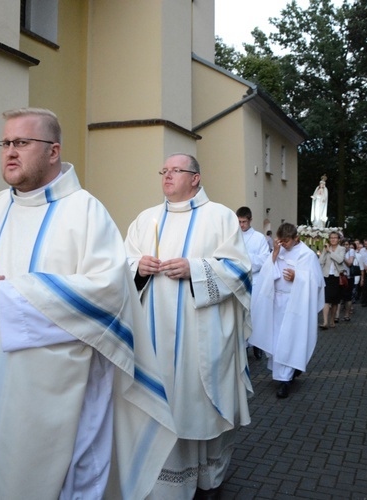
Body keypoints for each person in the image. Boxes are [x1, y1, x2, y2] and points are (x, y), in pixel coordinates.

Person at [0, 108, 176, 499]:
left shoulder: (84, 211)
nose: (10, 152)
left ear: (53, 152)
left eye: (22, 143)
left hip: (46, 392)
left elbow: (106, 293)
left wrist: (9, 294)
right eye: (6, 143)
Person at [125, 153, 252, 499]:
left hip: (203, 335)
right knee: (160, 406)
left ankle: (208, 479)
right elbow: (122, 264)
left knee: (199, 407)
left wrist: (195, 270)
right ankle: (162, 484)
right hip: (153, 337)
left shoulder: (220, 217)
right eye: (163, 170)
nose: (166, 176)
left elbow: (240, 270)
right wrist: (138, 267)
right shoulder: (145, 218)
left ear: (195, 178)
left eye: (175, 171)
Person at [251, 223, 325, 399]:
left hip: (295, 305)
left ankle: (284, 381)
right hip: (276, 302)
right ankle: (287, 373)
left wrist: (297, 277)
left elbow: (317, 282)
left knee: (289, 340)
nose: (283, 244)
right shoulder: (279, 250)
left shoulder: (307, 255)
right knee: (276, 339)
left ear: (295, 238)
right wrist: (275, 254)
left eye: (286, 242)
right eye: (280, 241)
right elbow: (266, 272)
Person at [237, 206, 271, 359]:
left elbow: (264, 260)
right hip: (237, 280)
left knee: (254, 314)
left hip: (254, 280)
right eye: (239, 222)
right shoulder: (233, 236)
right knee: (240, 314)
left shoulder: (259, 238)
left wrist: (245, 258)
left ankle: (256, 344)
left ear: (250, 220)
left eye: (244, 222)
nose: (241, 225)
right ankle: (242, 345)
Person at [318, 231, 345, 329]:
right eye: (331, 237)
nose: (333, 239)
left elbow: (340, 260)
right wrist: (325, 252)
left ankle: (332, 319)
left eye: (335, 237)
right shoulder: (326, 248)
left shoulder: (342, 249)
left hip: (337, 277)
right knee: (326, 299)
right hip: (327, 276)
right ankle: (325, 322)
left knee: (335, 300)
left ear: (338, 239)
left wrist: (330, 251)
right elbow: (320, 261)